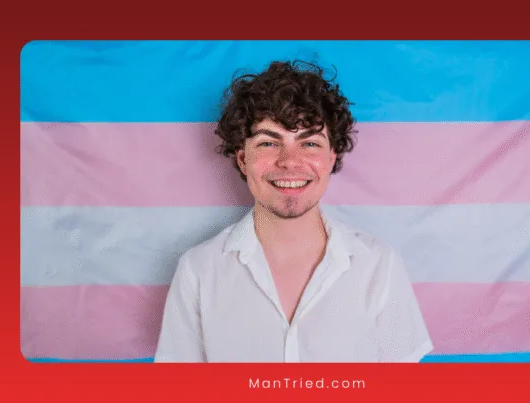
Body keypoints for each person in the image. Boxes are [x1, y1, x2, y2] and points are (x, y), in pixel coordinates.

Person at [154, 60, 432, 362]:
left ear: (330, 158)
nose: (290, 161)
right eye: (269, 142)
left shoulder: (380, 265)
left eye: (309, 142)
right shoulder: (198, 271)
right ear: (244, 160)